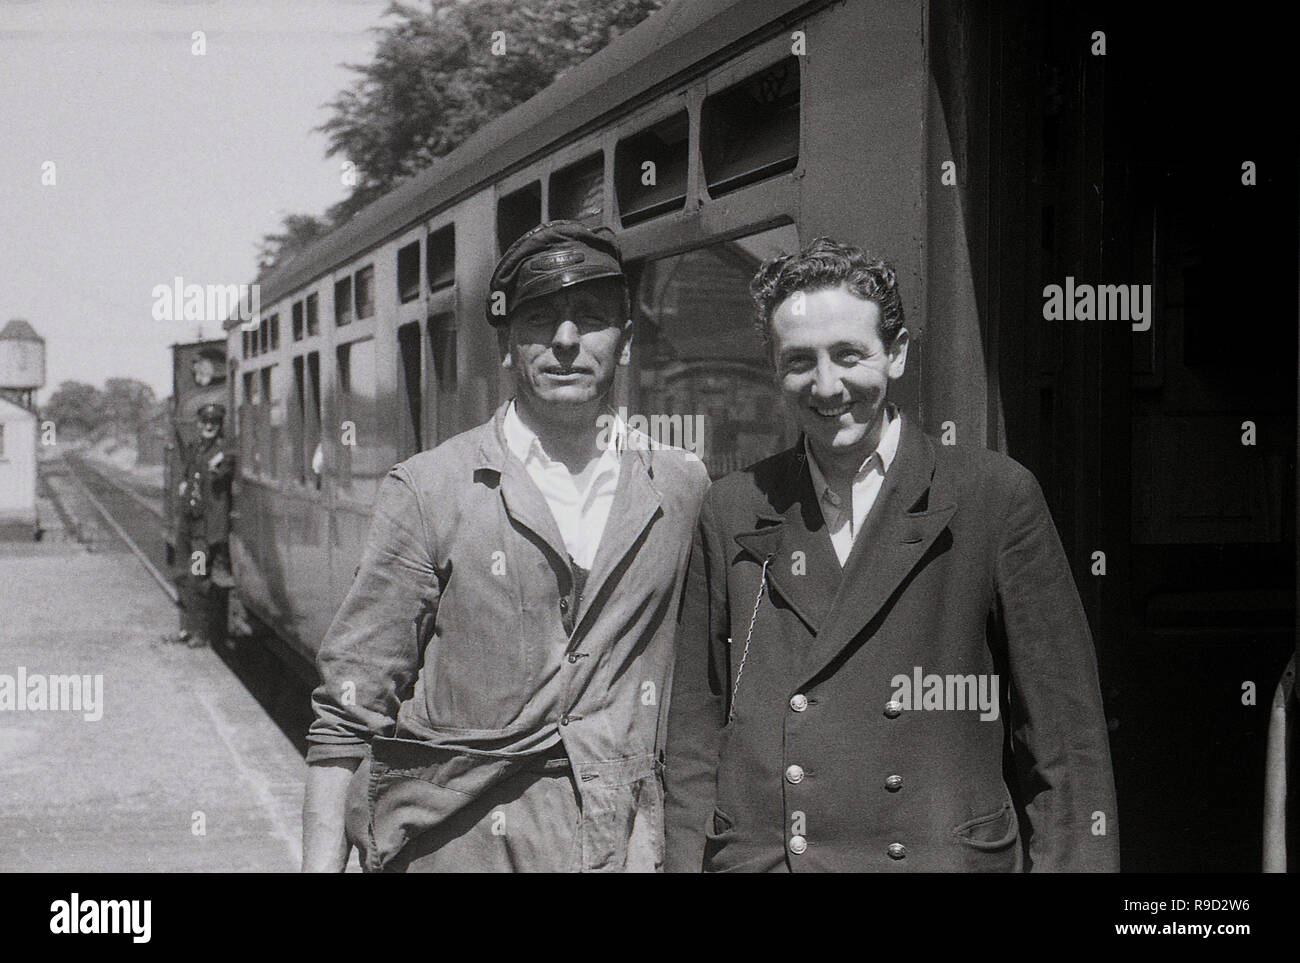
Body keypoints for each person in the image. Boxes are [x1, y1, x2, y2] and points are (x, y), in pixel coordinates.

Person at [663, 237, 1119, 872]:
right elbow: (694, 737)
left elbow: (1066, 746)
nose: (826, 386)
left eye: (849, 355)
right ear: (774, 369)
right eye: (799, 361)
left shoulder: (993, 497)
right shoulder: (733, 509)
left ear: (897, 354)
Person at [302, 220, 710, 872]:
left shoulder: (679, 487)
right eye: (540, 319)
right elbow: (350, 710)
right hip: (458, 844)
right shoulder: (431, 488)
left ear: (626, 340)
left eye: (592, 317)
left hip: (618, 846)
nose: (567, 340)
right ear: (507, 344)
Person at [167, 402, 233, 648]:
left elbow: (226, 467)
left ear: (219, 426)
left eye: (213, 423)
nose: (208, 426)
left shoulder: (223, 451)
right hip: (188, 522)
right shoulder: (196, 448)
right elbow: (188, 475)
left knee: (197, 578)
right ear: (198, 424)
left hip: (204, 530)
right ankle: (186, 629)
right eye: (204, 422)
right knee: (181, 574)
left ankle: (201, 633)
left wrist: (221, 462)